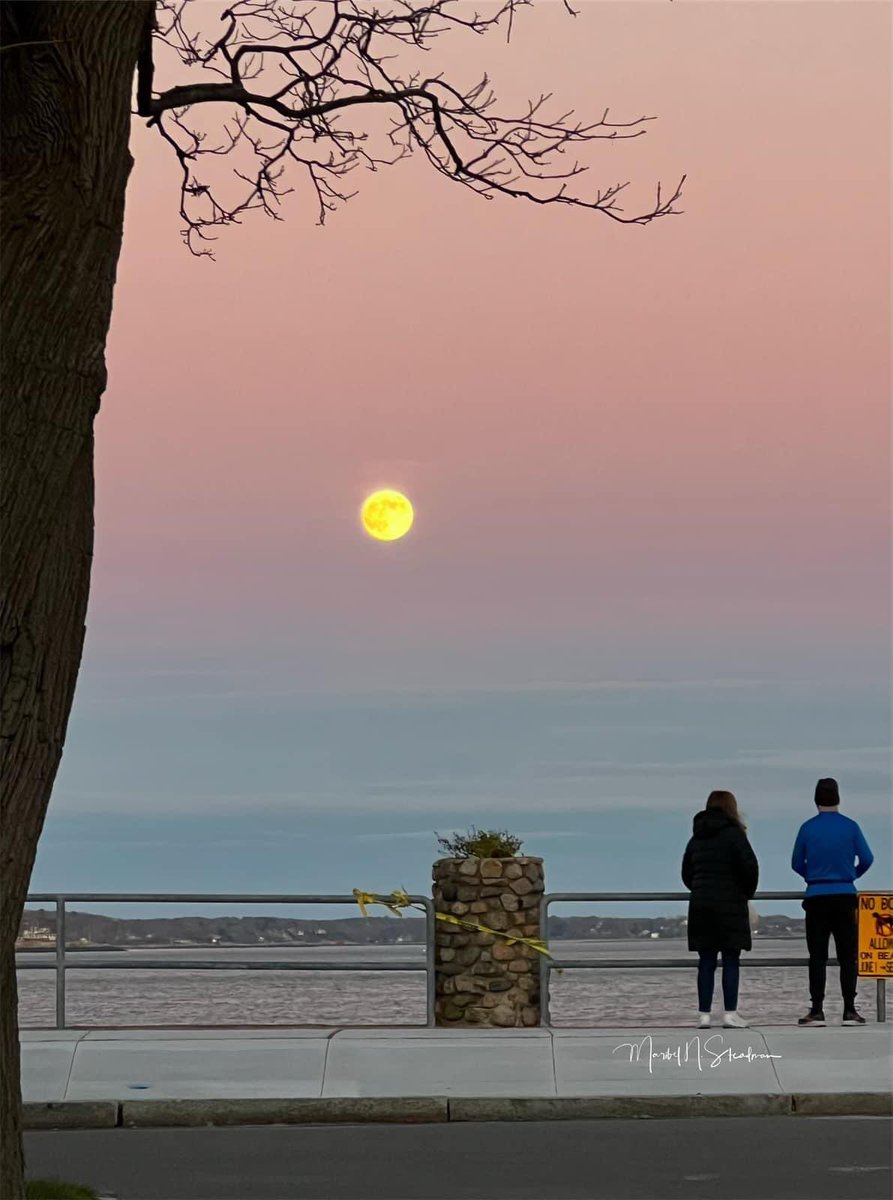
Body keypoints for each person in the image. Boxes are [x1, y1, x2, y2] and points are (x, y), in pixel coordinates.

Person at [791, 777, 874, 1026]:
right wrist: (849, 876)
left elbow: (796, 863)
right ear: (838, 798)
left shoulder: (807, 828)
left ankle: (817, 1009)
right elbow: (867, 859)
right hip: (845, 895)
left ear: (816, 799)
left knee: (817, 955)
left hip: (816, 896)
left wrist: (812, 877)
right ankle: (849, 1009)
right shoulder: (851, 827)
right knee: (847, 955)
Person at [682, 790, 759, 1029]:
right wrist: (745, 892)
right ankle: (730, 1014)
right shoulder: (735, 835)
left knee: (706, 960)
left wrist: (700, 887)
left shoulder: (697, 838)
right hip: (730, 905)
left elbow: (686, 873)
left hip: (701, 905)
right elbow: (750, 868)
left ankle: (703, 1015)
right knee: (731, 959)